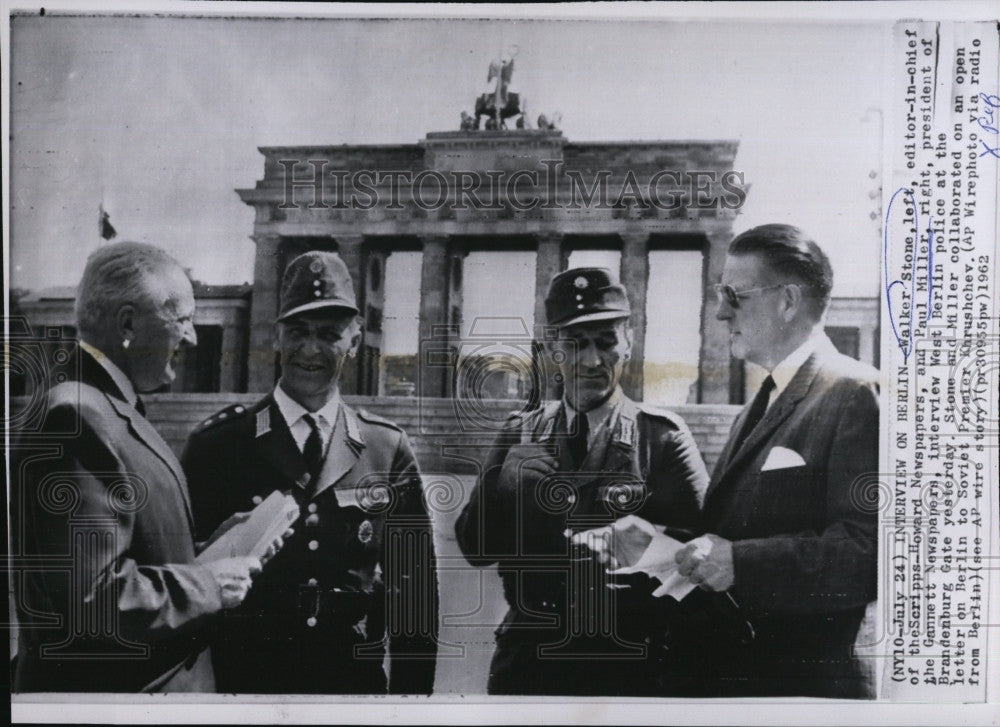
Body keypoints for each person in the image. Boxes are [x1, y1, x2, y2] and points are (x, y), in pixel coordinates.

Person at [182, 251, 439, 694]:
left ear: (355, 341)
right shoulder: (219, 445)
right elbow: (181, 582)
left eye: (328, 335)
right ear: (276, 337)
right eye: (297, 333)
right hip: (248, 687)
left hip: (353, 691)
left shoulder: (385, 448)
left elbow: (413, 598)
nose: (311, 350)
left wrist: (410, 704)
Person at [11, 242, 262, 692]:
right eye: (181, 320)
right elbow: (93, 601)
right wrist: (207, 583)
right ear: (127, 322)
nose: (192, 338)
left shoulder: (105, 406)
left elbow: (120, 549)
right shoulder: (77, 416)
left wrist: (209, 547)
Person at [454, 267, 708, 696]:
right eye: (575, 344)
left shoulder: (662, 438)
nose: (592, 361)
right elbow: (474, 549)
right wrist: (504, 487)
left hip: (626, 663)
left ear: (626, 344)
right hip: (529, 661)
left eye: (605, 342)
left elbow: (700, 557)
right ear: (554, 349)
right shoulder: (519, 432)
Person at [674, 224, 879, 698]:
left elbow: (867, 553)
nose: (722, 311)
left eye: (735, 295)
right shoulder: (760, 403)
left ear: (788, 301)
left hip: (805, 692)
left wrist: (740, 563)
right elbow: (739, 527)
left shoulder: (854, 392)